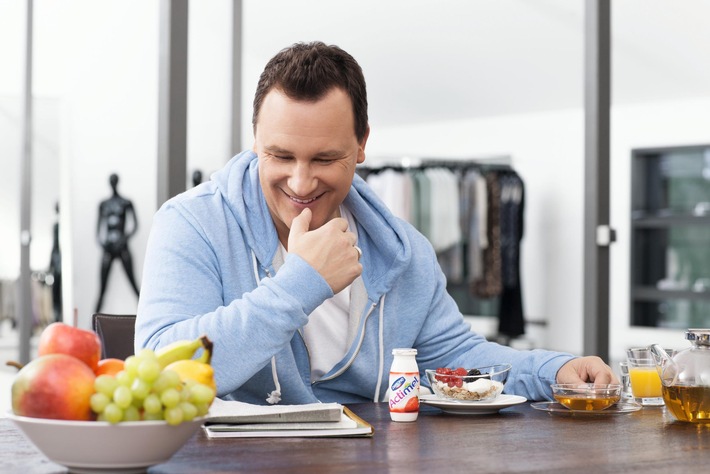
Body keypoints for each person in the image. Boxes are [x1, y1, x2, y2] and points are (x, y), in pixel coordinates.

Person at [135, 41, 617, 405]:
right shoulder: (192, 224)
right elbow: (160, 371)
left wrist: (555, 370)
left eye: (324, 158)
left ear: (362, 144)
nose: (300, 183)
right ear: (255, 137)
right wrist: (299, 285)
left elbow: (453, 358)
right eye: (280, 155)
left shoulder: (401, 249)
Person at [95, 173, 140, 313]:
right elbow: (98, 229)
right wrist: (103, 243)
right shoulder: (104, 205)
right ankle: (92, 326)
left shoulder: (126, 203)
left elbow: (134, 225)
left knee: (133, 284)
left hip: (122, 246)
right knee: (102, 289)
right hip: (108, 247)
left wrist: (124, 239)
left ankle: (146, 319)